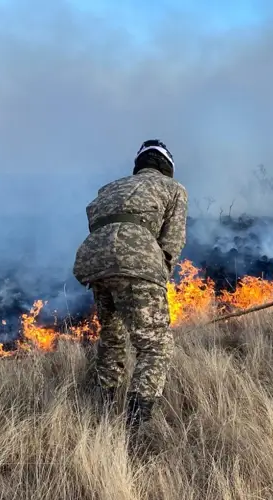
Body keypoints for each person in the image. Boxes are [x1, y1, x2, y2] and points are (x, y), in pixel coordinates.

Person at [73, 139, 188, 435]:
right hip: (136, 260)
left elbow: (95, 220)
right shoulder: (174, 189)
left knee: (112, 338)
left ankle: (102, 411)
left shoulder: (109, 188)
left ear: (139, 164)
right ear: (167, 167)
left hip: (94, 259)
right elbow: (172, 241)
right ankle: (136, 427)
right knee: (155, 346)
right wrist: (159, 274)